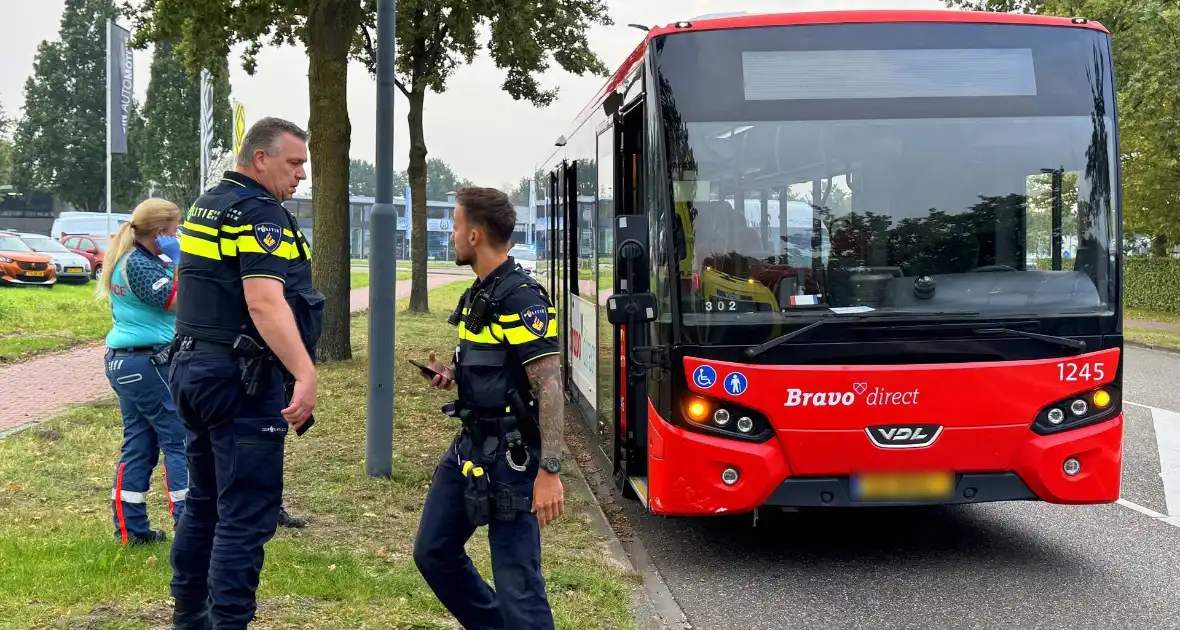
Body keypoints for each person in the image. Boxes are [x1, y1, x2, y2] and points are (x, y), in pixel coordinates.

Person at [166, 116, 323, 630]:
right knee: (246, 514)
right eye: (294, 162)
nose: (301, 174)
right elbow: (263, 300)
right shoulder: (259, 212)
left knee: (206, 503)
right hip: (239, 377)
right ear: (261, 158)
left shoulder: (208, 203)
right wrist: (304, 373)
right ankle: (228, 622)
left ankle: (190, 617)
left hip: (193, 367)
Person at [413, 187, 565, 630]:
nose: (453, 234)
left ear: (476, 235)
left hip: (512, 461)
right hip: (470, 448)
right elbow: (501, 371)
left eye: (457, 226)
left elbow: (551, 387)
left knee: (519, 587)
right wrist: (455, 377)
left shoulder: (521, 299)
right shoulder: (483, 292)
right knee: (433, 551)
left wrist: (549, 471)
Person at [96, 198, 187, 546]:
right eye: (175, 227)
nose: (178, 233)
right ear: (161, 231)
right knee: (178, 439)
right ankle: (189, 526)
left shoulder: (135, 258)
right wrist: (180, 261)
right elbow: (177, 300)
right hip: (148, 364)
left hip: (127, 361)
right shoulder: (139, 264)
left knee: (140, 443)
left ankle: (131, 529)